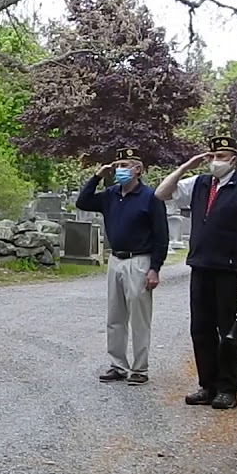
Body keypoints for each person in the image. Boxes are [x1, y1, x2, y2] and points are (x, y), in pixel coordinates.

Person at [155, 136, 237, 409]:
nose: (216, 161)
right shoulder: (199, 184)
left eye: (222, 157)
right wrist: (186, 166)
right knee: (201, 328)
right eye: (213, 156)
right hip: (201, 266)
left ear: (234, 160)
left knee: (227, 329)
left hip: (230, 269)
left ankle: (227, 388)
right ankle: (207, 384)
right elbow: (161, 193)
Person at [76, 147, 169, 385]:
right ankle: (118, 365)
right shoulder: (110, 195)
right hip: (116, 260)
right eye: (117, 166)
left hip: (139, 260)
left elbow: (161, 235)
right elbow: (83, 202)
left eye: (124, 165)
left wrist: (155, 267)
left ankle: (140, 368)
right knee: (115, 316)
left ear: (137, 170)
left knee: (139, 317)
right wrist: (97, 176)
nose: (119, 170)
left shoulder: (151, 197)